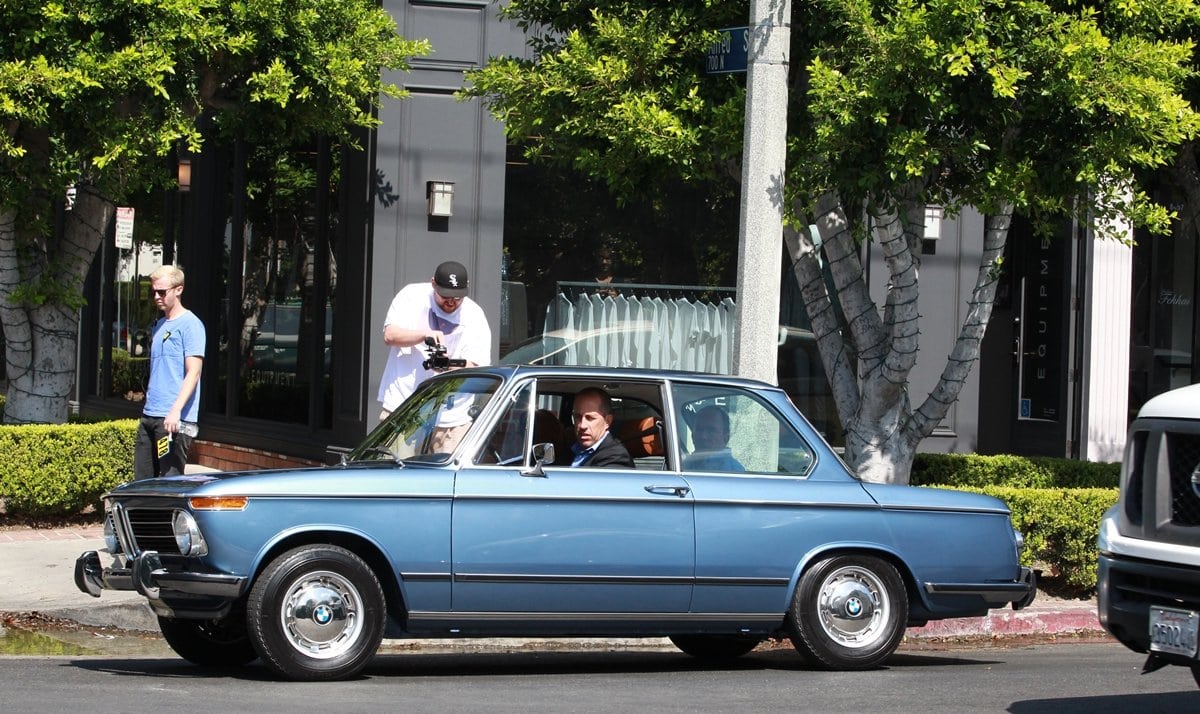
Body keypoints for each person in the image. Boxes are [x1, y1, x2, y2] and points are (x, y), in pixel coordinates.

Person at [376, 261, 491, 450]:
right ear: (433, 284)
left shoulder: (474, 315)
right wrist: (424, 335)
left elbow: (478, 366)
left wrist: (448, 364)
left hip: (452, 415)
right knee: (396, 473)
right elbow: (390, 335)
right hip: (405, 405)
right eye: (445, 296)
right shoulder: (411, 296)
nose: (451, 302)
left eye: (458, 297)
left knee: (448, 478)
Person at [134, 265, 206, 479]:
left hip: (174, 419)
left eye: (162, 292)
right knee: (143, 482)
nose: (157, 296)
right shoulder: (159, 325)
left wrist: (176, 410)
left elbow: (194, 372)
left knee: (169, 482)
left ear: (178, 289)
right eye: (154, 291)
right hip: (150, 415)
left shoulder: (191, 325)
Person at [568, 387, 634, 468]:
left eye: (590, 418)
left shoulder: (615, 457)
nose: (582, 425)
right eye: (578, 417)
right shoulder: (572, 448)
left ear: (607, 421)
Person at [683, 405, 744, 472]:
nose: (703, 436)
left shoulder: (733, 472)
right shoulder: (682, 465)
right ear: (692, 436)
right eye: (699, 430)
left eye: (711, 431)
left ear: (726, 438)